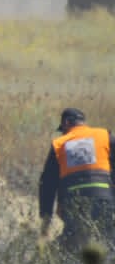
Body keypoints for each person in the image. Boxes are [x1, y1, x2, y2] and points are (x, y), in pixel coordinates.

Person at [38, 107, 115, 256]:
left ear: (66, 123)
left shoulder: (59, 144)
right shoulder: (105, 135)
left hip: (74, 202)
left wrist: (46, 219)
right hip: (103, 199)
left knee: (71, 249)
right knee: (109, 242)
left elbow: (47, 184)